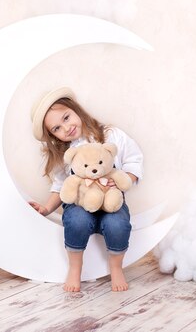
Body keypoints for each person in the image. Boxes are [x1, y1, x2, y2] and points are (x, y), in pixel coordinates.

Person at [28, 87, 143, 292]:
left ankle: (116, 267)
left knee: (118, 224)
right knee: (77, 220)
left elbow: (134, 160)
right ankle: (75, 267)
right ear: (54, 136)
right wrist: (46, 209)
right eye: (57, 129)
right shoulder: (67, 153)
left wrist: (124, 180)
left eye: (66, 117)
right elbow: (60, 186)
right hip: (79, 203)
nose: (66, 128)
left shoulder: (110, 135)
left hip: (110, 200)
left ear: (76, 110)